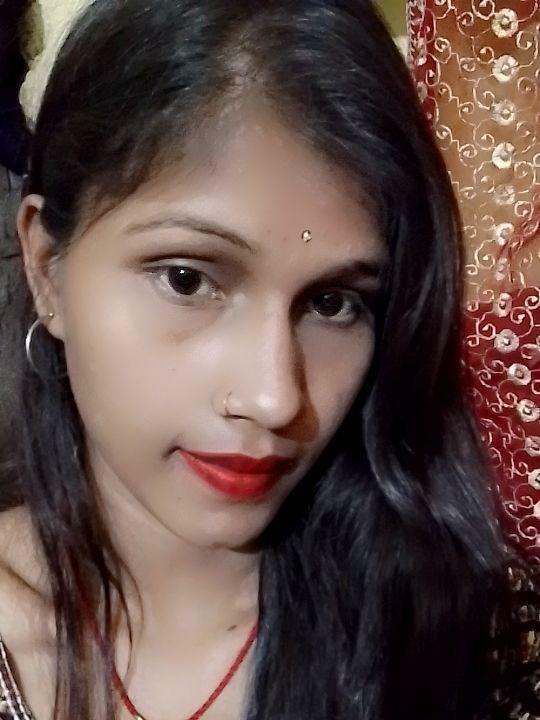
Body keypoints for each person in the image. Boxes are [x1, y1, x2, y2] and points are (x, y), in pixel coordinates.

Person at [0, 1, 535, 719]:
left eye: (334, 303)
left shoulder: (451, 633)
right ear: (47, 268)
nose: (274, 397)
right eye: (187, 279)